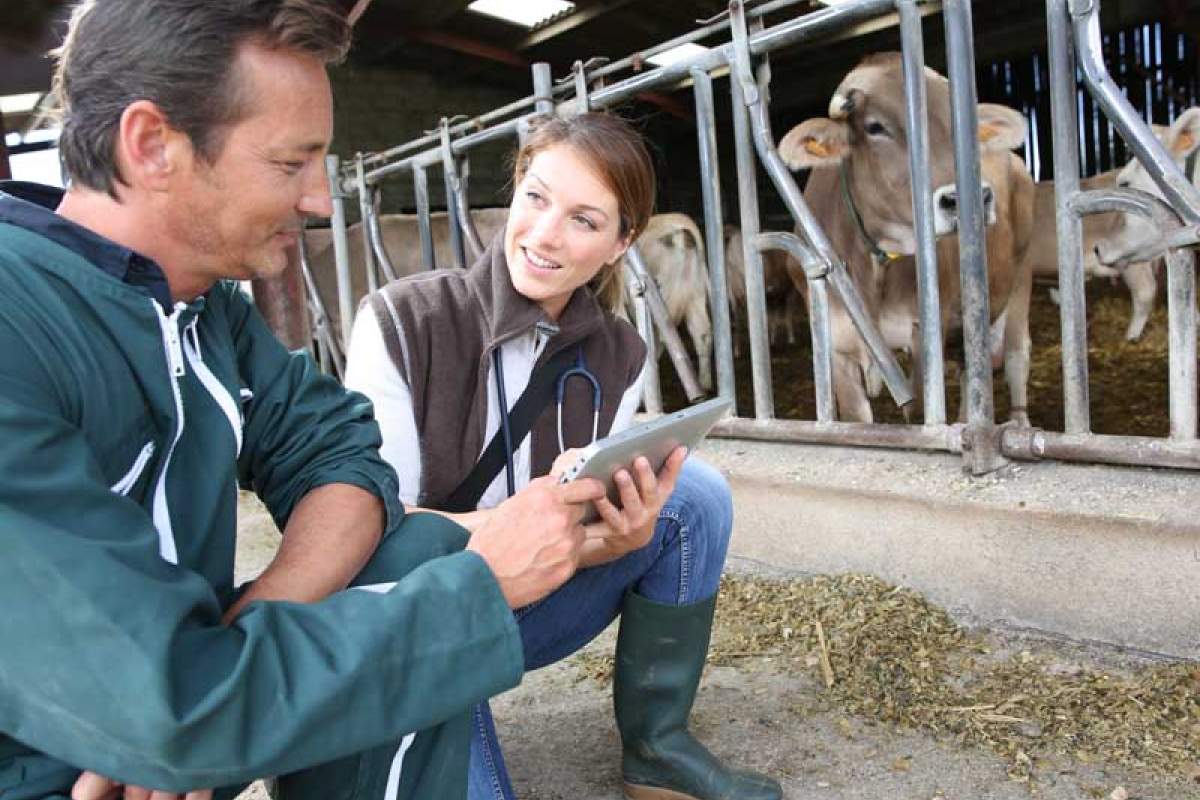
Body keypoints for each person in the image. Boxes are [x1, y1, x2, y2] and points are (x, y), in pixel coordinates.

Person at [0, 2, 608, 799]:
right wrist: (482, 587)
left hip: (182, 738)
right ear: (153, 145)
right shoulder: (20, 322)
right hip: (55, 773)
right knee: (445, 573)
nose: (320, 201)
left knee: (419, 548)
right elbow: (170, 716)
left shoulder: (203, 305)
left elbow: (343, 454)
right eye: (292, 165)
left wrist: (250, 631)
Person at [345, 112, 782, 800]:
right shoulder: (402, 321)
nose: (546, 235)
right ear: (515, 190)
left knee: (694, 495)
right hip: (421, 620)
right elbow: (369, 534)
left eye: (585, 220)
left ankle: (657, 748)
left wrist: (622, 536)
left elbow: (583, 526)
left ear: (620, 243)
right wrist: (513, 525)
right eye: (537, 198)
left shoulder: (619, 352)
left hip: (533, 601)